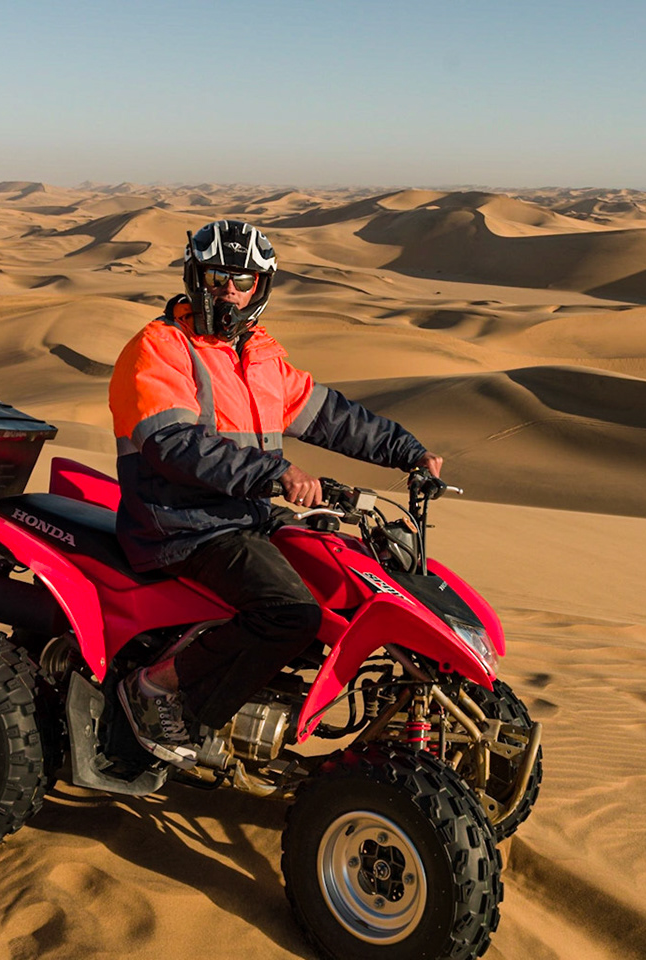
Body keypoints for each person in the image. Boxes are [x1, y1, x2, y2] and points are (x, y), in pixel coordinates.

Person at [107, 219, 443, 767]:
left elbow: (332, 417)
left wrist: (407, 452)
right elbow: (171, 443)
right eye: (218, 277)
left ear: (261, 287)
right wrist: (273, 474)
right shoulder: (161, 347)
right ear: (196, 278)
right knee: (290, 613)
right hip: (183, 526)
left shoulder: (259, 357)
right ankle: (160, 691)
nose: (229, 292)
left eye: (243, 281)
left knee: (346, 580)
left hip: (244, 518)